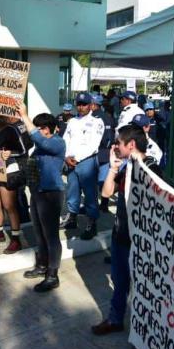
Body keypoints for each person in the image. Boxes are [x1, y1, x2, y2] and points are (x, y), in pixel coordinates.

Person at [91, 125, 163, 349]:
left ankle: (143, 332)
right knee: (120, 281)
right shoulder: (125, 167)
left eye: (118, 143)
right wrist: (113, 169)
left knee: (142, 287)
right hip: (120, 235)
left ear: (130, 144)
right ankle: (115, 320)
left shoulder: (152, 168)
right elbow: (105, 193)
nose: (115, 147)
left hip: (141, 241)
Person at [18, 103, 66, 292]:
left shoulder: (56, 142)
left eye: (41, 127)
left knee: (51, 235)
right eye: (37, 127)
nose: (38, 130)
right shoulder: (39, 146)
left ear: (49, 129)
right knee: (39, 232)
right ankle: (42, 265)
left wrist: (25, 115)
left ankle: (52, 275)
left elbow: (41, 141)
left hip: (51, 194)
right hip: (37, 193)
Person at [0, 113, 29, 254]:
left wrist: (10, 153)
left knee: (9, 205)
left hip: (9, 169)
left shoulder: (12, 129)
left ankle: (16, 238)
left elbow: (23, 149)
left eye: (0, 114)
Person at [61, 92, 105, 239]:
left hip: (87, 161)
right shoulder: (72, 121)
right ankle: (72, 218)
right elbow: (65, 139)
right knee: (72, 191)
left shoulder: (97, 122)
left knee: (90, 194)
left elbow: (94, 144)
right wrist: (66, 156)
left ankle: (92, 223)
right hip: (71, 161)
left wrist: (76, 158)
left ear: (91, 105)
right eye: (78, 104)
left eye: (84, 104)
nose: (80, 107)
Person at [91, 93, 116, 213]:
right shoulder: (108, 117)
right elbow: (111, 136)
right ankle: (104, 205)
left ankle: (93, 205)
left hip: (94, 153)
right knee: (104, 180)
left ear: (94, 104)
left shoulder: (92, 117)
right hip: (106, 153)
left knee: (92, 182)